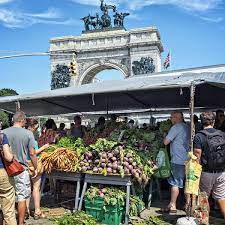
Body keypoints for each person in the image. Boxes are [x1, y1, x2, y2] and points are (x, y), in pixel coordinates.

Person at [3, 111, 38, 225]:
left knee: (7, 196)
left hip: (6, 169)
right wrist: (35, 167)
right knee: (21, 196)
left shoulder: (3, 132)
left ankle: (7, 220)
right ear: (22, 120)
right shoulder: (28, 134)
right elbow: (32, 153)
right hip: (21, 170)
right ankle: (20, 222)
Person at [194, 112, 225, 217]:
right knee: (221, 197)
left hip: (206, 172)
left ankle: (204, 220)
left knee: (203, 196)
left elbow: (197, 154)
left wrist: (196, 171)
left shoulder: (199, 136)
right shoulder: (222, 134)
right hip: (221, 171)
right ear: (213, 121)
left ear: (201, 122)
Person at [163, 111, 190, 213]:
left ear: (176, 118)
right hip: (188, 159)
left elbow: (166, 142)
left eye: (171, 117)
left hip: (178, 160)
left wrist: (164, 136)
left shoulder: (175, 127)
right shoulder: (187, 127)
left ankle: (173, 204)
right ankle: (187, 205)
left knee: (175, 183)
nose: (170, 119)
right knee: (187, 183)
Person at [25, 119, 49, 220]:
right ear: (32, 126)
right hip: (32, 164)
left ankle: (25, 211)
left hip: (23, 165)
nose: (36, 130)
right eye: (35, 128)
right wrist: (44, 147)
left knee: (26, 189)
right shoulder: (31, 138)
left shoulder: (21, 136)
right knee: (36, 188)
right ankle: (37, 212)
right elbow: (33, 154)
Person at [0, 132, 17, 225]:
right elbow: (8, 157)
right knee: (9, 211)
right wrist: (12, 154)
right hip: (2, 172)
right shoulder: (2, 136)